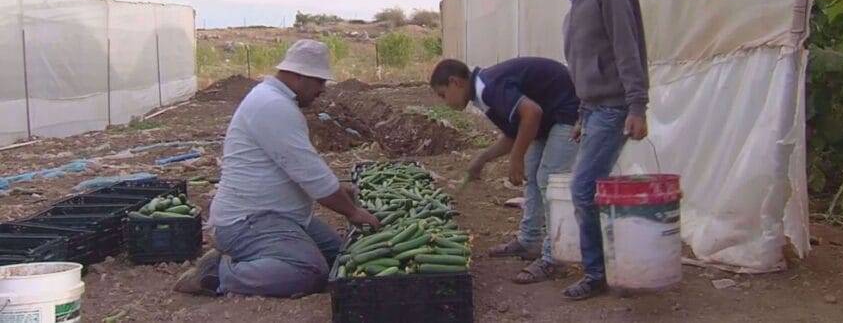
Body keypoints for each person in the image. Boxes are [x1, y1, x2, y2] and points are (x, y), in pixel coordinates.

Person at [174, 39, 380, 298]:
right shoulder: (272, 106)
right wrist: (351, 211)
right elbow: (311, 175)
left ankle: (250, 258)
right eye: (319, 82)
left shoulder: (276, 102)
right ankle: (217, 275)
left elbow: (303, 165)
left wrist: (339, 190)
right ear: (298, 76)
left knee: (341, 258)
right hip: (248, 220)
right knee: (308, 271)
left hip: (280, 216)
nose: (323, 90)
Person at [544, 0, 650, 300]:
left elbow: (627, 49)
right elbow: (587, 60)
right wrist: (581, 114)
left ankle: (595, 273)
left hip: (614, 107)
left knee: (584, 187)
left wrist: (637, 105)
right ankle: (606, 264)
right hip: (594, 110)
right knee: (587, 187)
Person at [430, 57, 579, 284]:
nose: (445, 102)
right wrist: (482, 159)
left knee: (548, 179)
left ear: (455, 82)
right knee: (534, 177)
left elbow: (532, 113)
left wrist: (516, 159)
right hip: (549, 116)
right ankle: (529, 241)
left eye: (443, 94)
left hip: (567, 111)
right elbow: (513, 134)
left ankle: (553, 259)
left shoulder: (488, 88)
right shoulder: (483, 93)